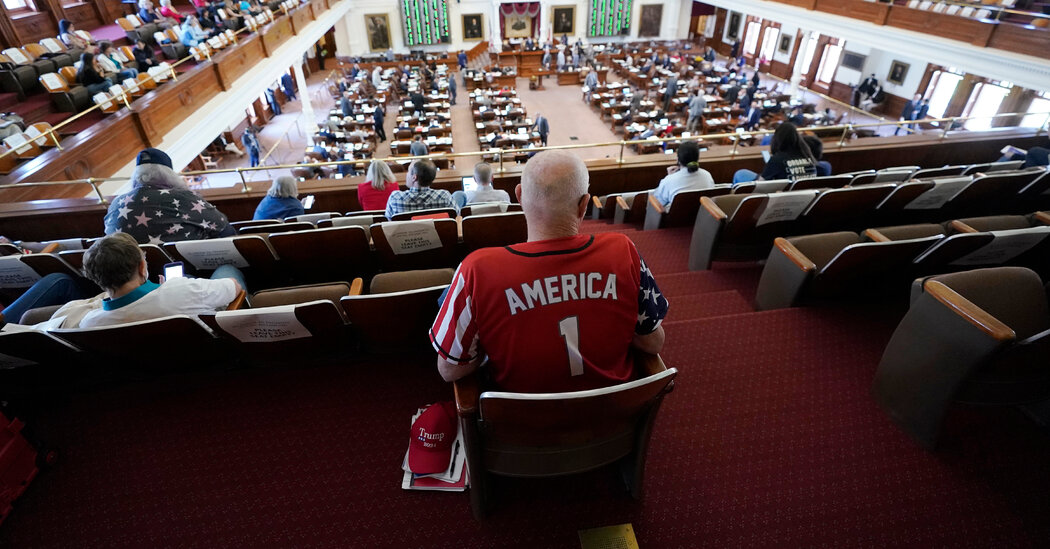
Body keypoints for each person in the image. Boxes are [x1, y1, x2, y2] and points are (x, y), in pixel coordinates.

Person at [430, 150, 667, 393]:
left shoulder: (476, 270)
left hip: (519, 425)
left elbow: (449, 370)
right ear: (584, 204)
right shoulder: (623, 251)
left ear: (519, 196)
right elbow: (653, 341)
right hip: (614, 416)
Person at [0, 233, 243, 331]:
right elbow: (234, 288)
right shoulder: (182, 290)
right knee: (227, 269)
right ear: (141, 267)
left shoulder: (89, 323)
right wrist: (168, 288)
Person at [103, 148, 233, 242]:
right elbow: (224, 228)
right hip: (187, 273)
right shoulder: (184, 198)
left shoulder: (116, 203)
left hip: (132, 276)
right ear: (170, 174)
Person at [733, 122, 817, 183]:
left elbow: (762, 183)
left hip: (781, 197)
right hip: (805, 197)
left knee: (740, 174)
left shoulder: (777, 159)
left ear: (777, 139)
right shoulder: (808, 156)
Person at [651, 141, 715, 209]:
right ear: (697, 158)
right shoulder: (707, 175)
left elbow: (657, 202)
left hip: (676, 219)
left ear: (678, 159)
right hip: (701, 218)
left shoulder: (669, 180)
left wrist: (669, 177)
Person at [384, 159, 454, 219]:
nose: (406, 174)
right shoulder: (445, 196)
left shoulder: (395, 197)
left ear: (414, 177)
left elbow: (388, 220)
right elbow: (456, 216)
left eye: (408, 171)